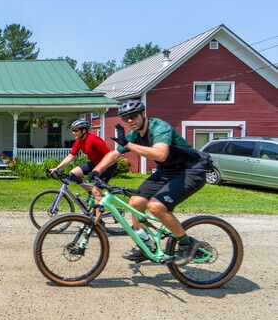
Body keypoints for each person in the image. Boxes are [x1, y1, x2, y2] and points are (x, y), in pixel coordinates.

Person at [88, 100, 211, 266]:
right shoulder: (135, 135)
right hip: (167, 171)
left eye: (133, 116)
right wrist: (97, 170)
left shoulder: (160, 128)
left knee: (156, 207)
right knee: (135, 203)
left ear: (142, 114)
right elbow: (115, 154)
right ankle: (145, 244)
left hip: (190, 170)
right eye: (126, 118)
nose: (130, 120)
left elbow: (160, 154)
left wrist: (129, 145)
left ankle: (187, 243)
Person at [48, 119, 118, 202]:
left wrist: (99, 169)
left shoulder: (93, 139)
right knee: (74, 173)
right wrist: (57, 168)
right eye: (73, 130)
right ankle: (90, 193)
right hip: (94, 163)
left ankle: (96, 213)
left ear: (83, 130)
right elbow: (70, 156)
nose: (73, 133)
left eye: (76, 130)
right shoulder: (79, 141)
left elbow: (109, 155)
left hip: (108, 165)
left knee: (97, 192)